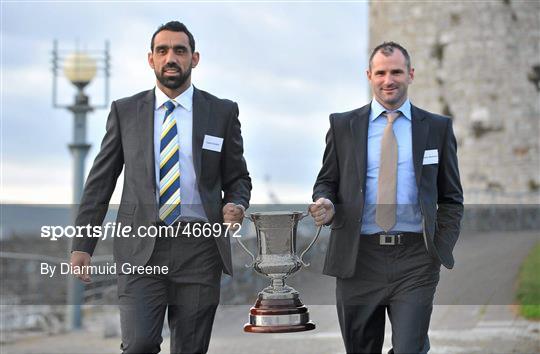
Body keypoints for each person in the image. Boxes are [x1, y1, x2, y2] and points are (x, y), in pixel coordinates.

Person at [70, 21, 251, 354]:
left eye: (179, 51)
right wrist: (83, 244)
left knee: (190, 348)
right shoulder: (125, 112)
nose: (171, 57)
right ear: (150, 59)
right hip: (141, 249)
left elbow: (238, 178)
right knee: (139, 344)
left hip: (200, 249)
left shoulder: (222, 112)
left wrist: (237, 205)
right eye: (163, 50)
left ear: (194, 58)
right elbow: (100, 182)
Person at [310, 41, 463, 353]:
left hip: (415, 259)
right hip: (357, 259)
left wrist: (439, 248)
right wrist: (325, 202)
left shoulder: (437, 127)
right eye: (380, 72)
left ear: (410, 74)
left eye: (396, 72)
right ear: (369, 75)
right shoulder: (343, 125)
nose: (388, 80)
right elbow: (326, 181)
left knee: (410, 347)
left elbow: (451, 198)